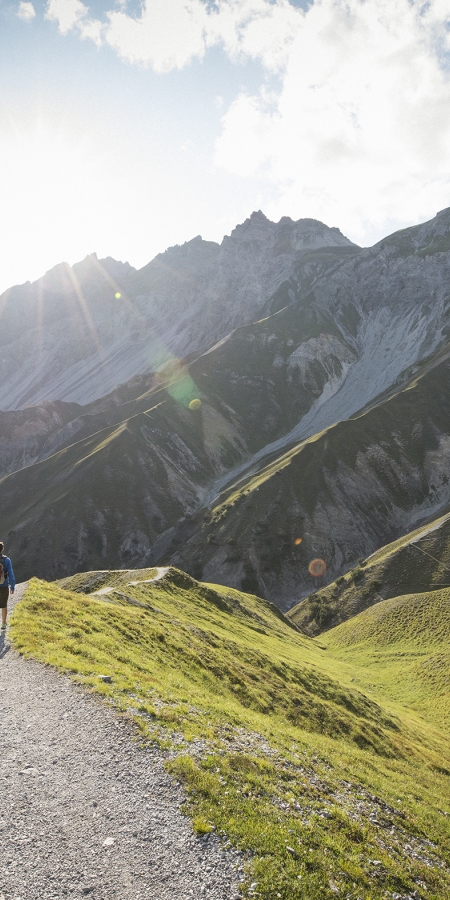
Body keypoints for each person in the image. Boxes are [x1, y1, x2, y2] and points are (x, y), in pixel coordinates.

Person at [0, 542, 15, 631]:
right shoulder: (7, 560)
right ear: (2, 549)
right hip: (4, 585)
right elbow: (11, 574)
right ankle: (4, 623)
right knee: (4, 605)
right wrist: (12, 586)